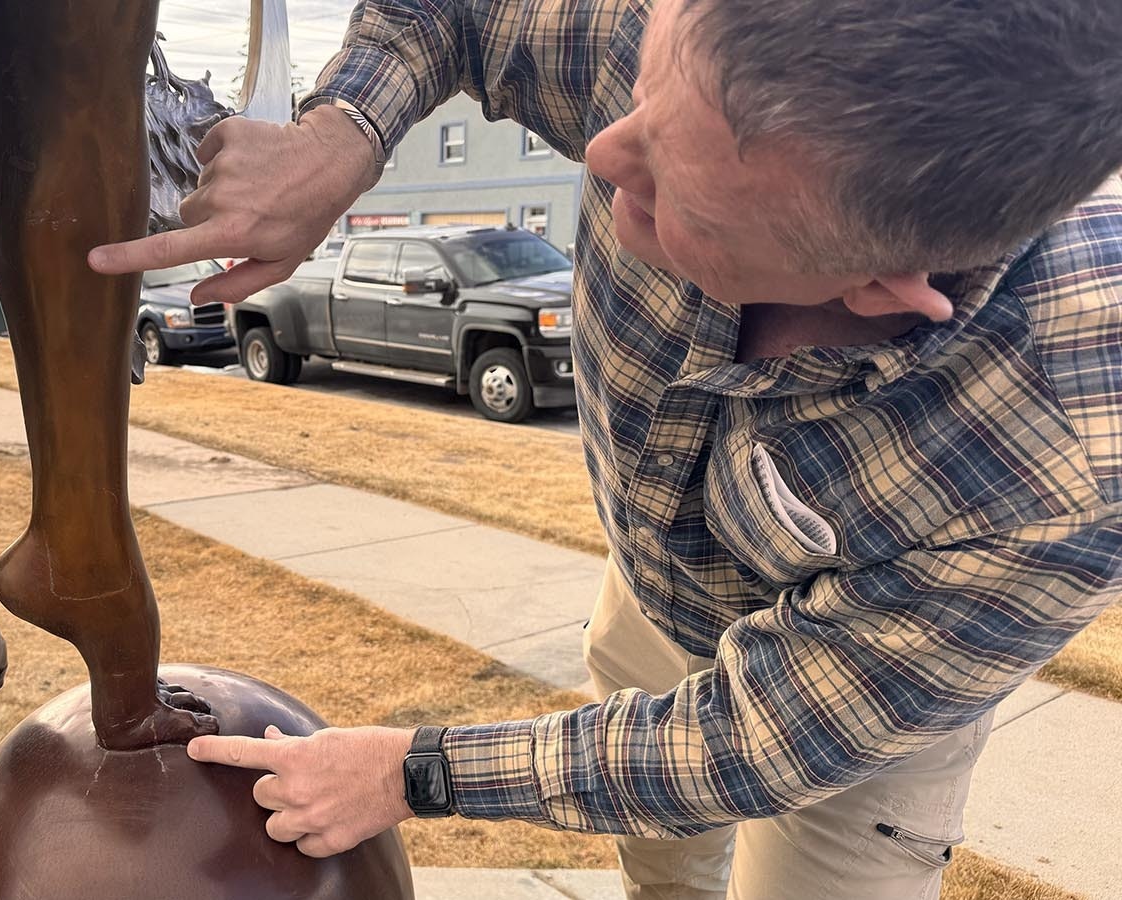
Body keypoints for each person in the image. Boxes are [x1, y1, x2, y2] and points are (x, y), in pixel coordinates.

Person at [89, 0, 1122, 896]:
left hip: (855, 720)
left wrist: (414, 771)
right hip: (652, 586)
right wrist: (342, 134)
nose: (598, 154)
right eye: (639, 99)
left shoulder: (1062, 465)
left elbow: (749, 741)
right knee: (661, 872)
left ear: (877, 290)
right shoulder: (704, 47)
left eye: (666, 193)